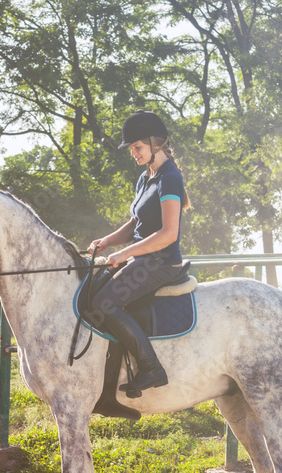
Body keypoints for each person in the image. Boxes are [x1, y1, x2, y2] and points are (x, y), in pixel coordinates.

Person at [86, 110, 191, 395]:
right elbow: (136, 222)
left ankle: (151, 368)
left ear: (156, 144)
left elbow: (169, 234)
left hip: (161, 262)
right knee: (89, 291)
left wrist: (125, 254)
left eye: (137, 148)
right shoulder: (146, 178)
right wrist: (107, 242)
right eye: (132, 149)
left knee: (103, 304)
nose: (133, 153)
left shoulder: (169, 179)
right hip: (142, 258)